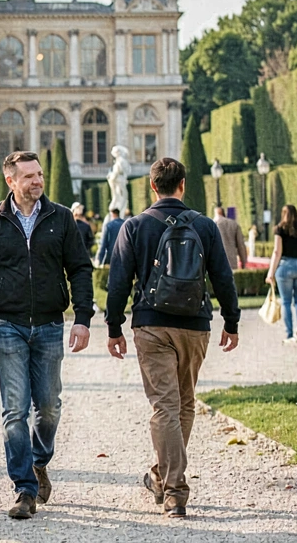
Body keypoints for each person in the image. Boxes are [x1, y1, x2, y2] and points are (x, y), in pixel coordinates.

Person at [104, 157, 240, 519]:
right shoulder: (205, 226)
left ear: (152, 187)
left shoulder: (134, 226)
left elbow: (118, 283)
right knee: (184, 402)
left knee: (164, 405)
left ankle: (173, 489)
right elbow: (223, 277)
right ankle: (165, 479)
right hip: (195, 324)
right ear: (183, 186)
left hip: (151, 325)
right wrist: (232, 320)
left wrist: (114, 326)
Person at [0, 151, 94, 520]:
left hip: (51, 323)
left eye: (39, 174)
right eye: (29, 176)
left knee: (50, 406)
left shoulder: (61, 218)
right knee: (14, 410)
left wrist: (83, 317)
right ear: (11, 181)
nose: (38, 181)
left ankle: (39, 461)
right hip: (7, 323)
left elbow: (81, 269)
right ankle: (24, 488)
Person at [266, 205, 297, 343]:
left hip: (285, 266)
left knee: (286, 301)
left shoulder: (279, 229)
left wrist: (270, 273)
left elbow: (277, 252)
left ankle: (289, 334)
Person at [212, 207, 247, 271]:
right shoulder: (234, 224)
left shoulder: (211, 225)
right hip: (231, 261)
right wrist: (244, 262)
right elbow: (241, 245)